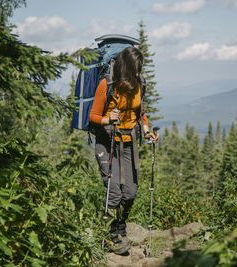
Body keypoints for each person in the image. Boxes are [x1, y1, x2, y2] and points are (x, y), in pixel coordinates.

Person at [89, 46, 159, 254]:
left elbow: (140, 113)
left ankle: (121, 228)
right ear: (126, 68)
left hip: (130, 141)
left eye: (140, 69)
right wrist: (106, 118)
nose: (138, 73)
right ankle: (111, 236)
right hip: (107, 141)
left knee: (130, 192)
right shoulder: (107, 85)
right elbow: (92, 115)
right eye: (136, 69)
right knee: (114, 193)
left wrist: (147, 132)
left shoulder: (139, 84)